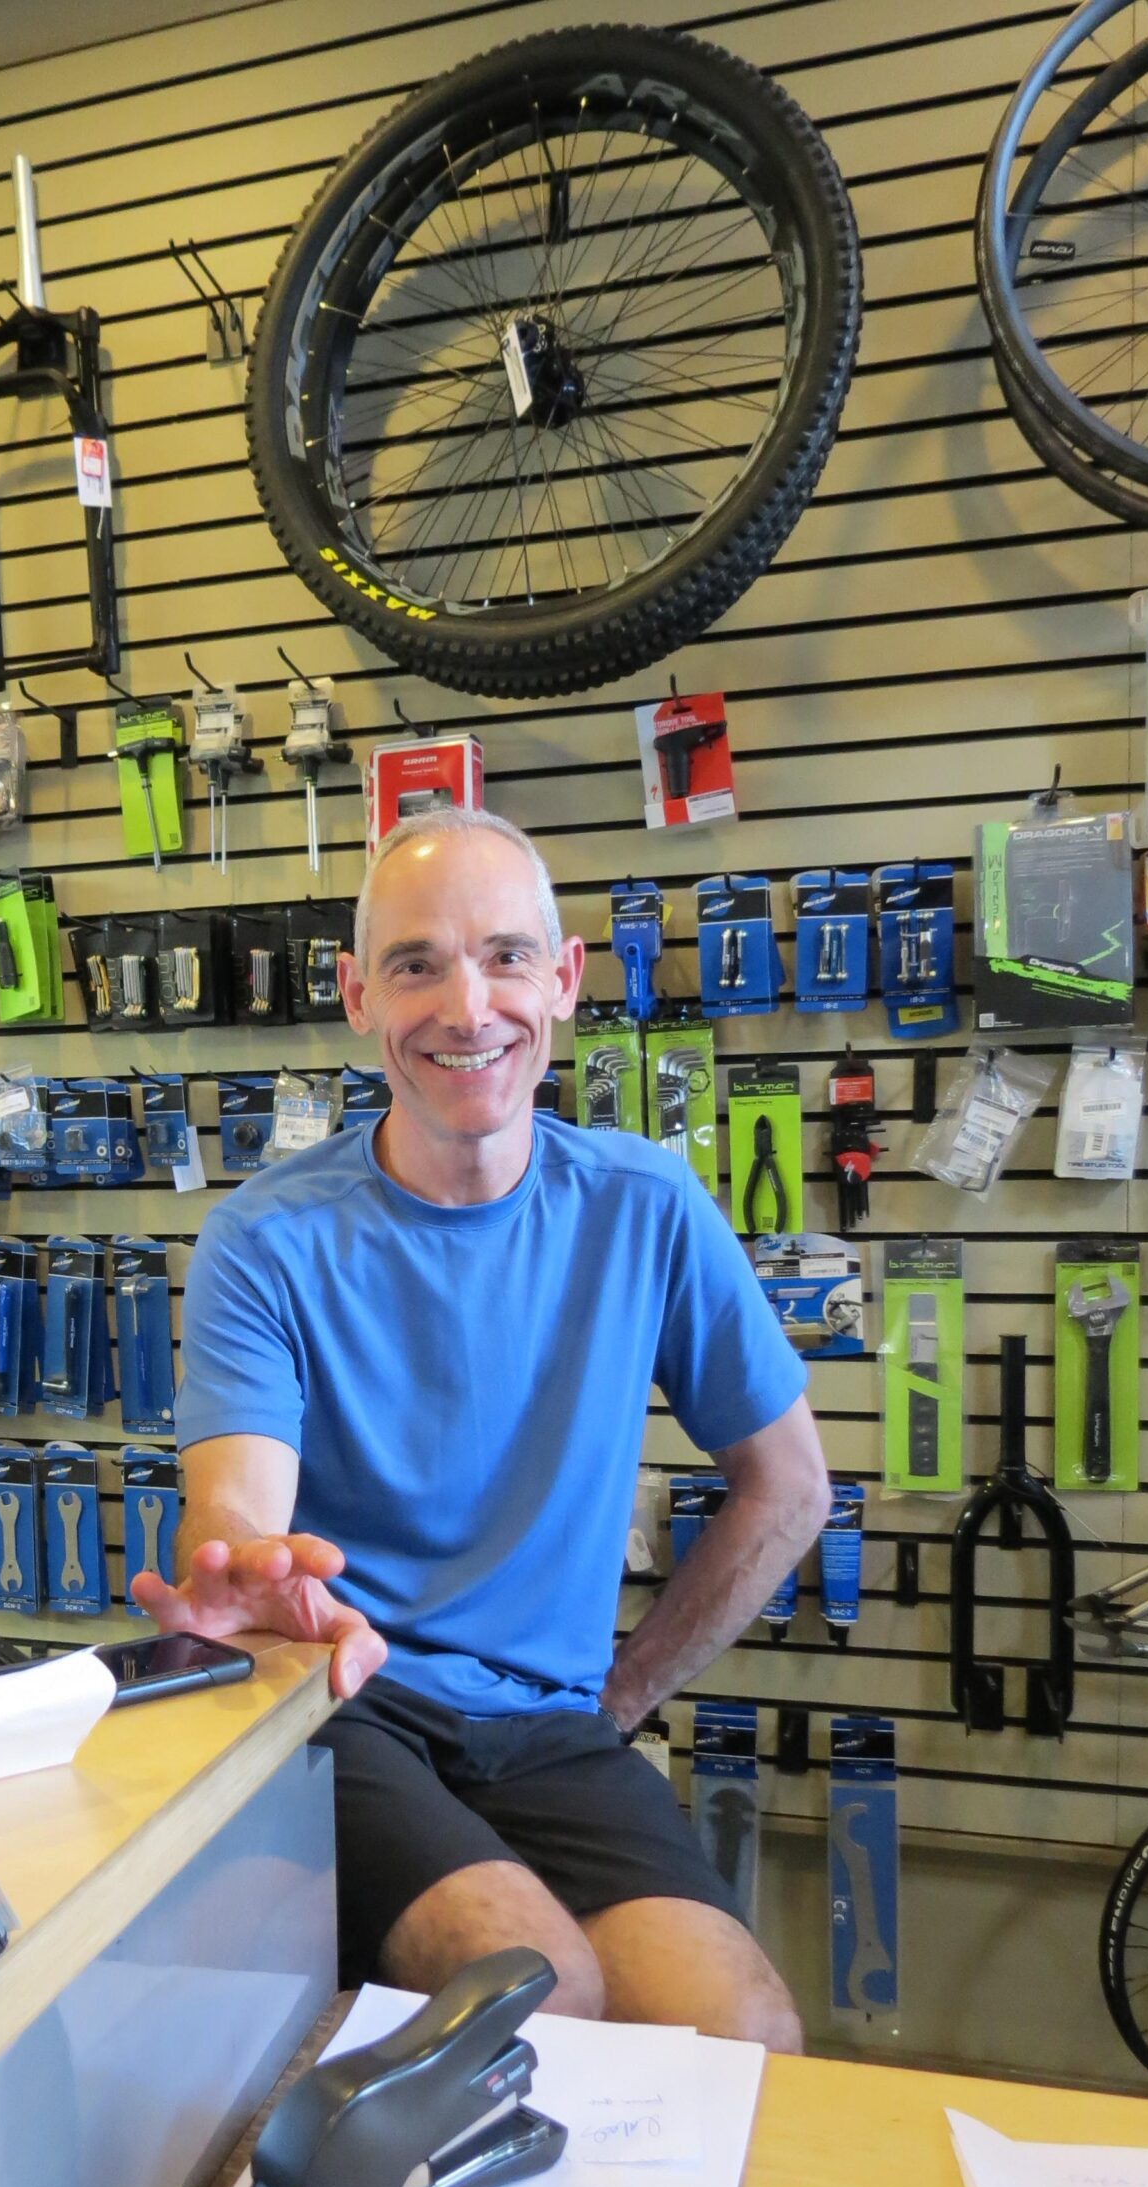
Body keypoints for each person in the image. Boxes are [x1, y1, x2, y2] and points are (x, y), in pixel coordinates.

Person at [132, 807, 829, 2051]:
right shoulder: (266, 1237)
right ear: (356, 994)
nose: (468, 1006)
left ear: (563, 981)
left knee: (740, 2038)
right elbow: (237, 1511)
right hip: (343, 1703)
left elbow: (788, 1490)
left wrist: (626, 1693)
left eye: (506, 955)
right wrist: (245, 1570)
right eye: (416, 964)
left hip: (551, 1727)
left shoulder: (646, 1206)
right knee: (541, 1985)